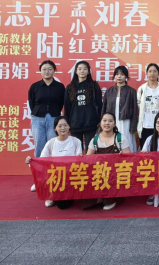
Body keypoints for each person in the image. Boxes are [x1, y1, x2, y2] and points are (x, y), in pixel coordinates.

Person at [25, 116, 82, 209]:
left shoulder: (76, 141)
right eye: (60, 126)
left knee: (63, 205)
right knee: (61, 204)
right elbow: (41, 161)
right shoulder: (51, 143)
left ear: (69, 126)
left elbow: (79, 162)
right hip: (55, 177)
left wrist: (80, 158)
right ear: (55, 128)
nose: (63, 128)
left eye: (65, 125)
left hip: (70, 176)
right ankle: (50, 195)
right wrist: (30, 162)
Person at [28, 60, 65, 192]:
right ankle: (38, 179)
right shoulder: (35, 86)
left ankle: (53, 178)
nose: (47, 72)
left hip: (54, 118)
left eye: (50, 69)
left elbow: (61, 103)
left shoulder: (59, 87)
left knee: (52, 147)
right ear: (40, 71)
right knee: (39, 148)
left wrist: (53, 114)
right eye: (44, 69)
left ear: (54, 71)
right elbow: (32, 103)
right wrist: (39, 113)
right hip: (38, 118)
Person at [86, 112, 131, 210]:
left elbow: (129, 159)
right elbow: (88, 159)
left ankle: (111, 199)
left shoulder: (120, 138)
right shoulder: (95, 140)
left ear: (114, 124)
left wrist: (122, 156)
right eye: (104, 120)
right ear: (100, 123)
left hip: (115, 173)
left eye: (110, 121)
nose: (107, 123)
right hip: (99, 172)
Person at [64, 61, 103, 153]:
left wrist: (100, 121)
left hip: (90, 122)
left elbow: (99, 104)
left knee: (91, 150)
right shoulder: (70, 87)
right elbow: (67, 106)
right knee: (77, 151)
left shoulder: (94, 85)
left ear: (88, 71)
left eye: (85, 69)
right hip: (75, 123)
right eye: (79, 69)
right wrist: (67, 123)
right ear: (76, 71)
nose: (82, 71)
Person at [102, 66, 139, 153]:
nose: (119, 76)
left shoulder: (131, 91)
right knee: (112, 143)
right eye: (117, 74)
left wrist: (133, 126)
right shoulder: (109, 91)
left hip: (126, 122)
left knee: (127, 143)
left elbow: (135, 110)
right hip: (111, 122)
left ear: (126, 77)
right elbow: (104, 109)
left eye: (122, 74)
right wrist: (102, 123)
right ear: (114, 76)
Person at [137, 63, 159, 149]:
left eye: (155, 71)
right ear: (146, 74)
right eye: (150, 71)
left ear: (158, 74)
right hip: (146, 125)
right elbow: (139, 103)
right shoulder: (142, 89)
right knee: (145, 150)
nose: (152, 73)